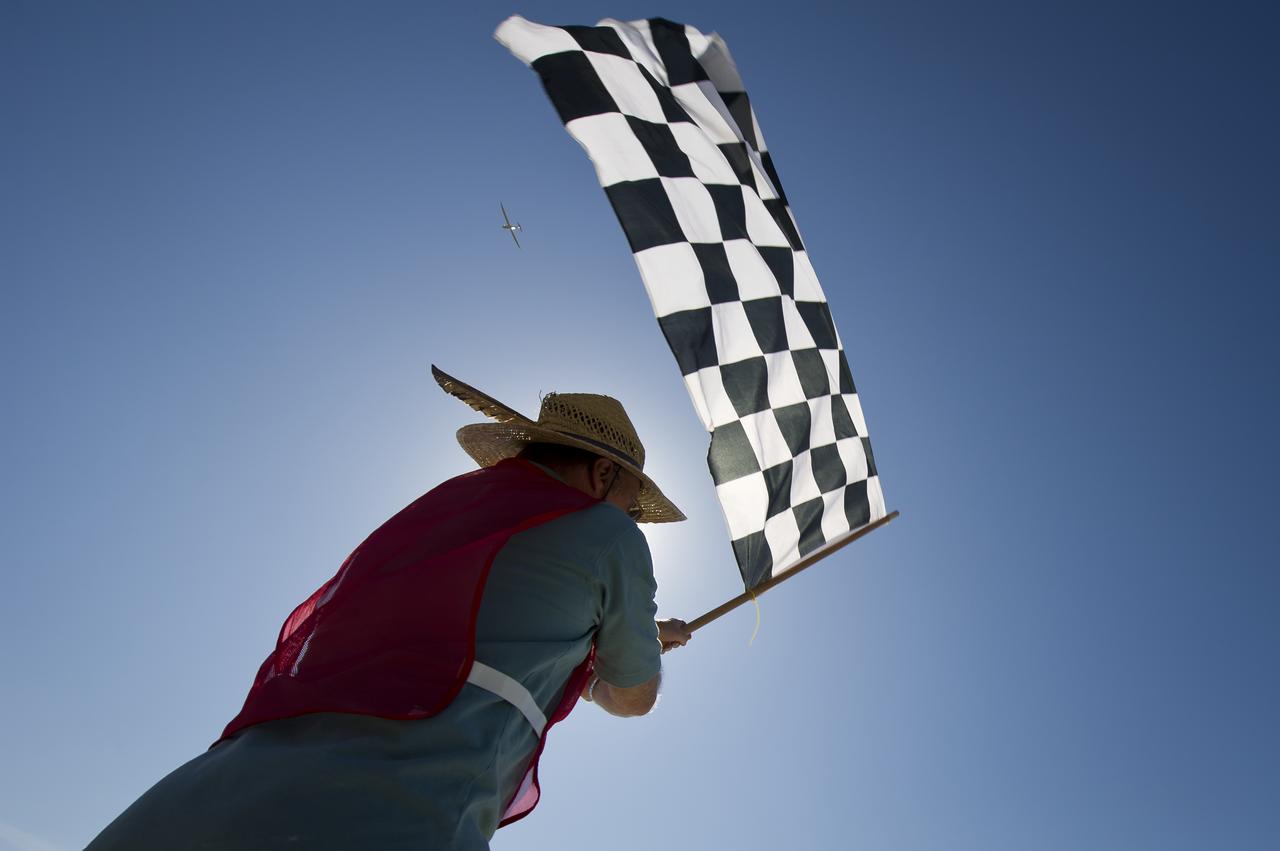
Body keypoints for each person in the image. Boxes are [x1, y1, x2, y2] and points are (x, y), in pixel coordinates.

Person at [87, 367, 692, 850]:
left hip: (212, 797)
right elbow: (630, 695)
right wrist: (628, 648)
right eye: (631, 502)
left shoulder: (452, 508)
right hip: (396, 814)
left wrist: (594, 643)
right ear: (603, 470)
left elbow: (495, 631)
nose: (632, 516)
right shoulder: (607, 534)